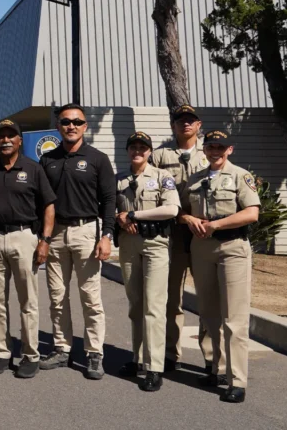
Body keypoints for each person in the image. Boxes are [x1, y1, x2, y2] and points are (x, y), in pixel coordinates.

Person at [180, 130, 260, 404]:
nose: (215, 151)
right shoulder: (195, 179)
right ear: (205, 149)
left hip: (231, 248)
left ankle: (237, 381)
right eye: (210, 146)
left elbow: (252, 212)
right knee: (208, 313)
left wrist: (217, 224)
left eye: (220, 147)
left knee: (234, 319)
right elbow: (180, 210)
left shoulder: (240, 176)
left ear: (230, 150)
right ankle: (217, 369)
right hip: (201, 249)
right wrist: (189, 218)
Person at [39, 103, 116, 380]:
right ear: (58, 127)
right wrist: (42, 238)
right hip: (56, 232)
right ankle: (62, 348)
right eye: (65, 121)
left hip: (86, 232)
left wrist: (106, 236)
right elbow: (40, 202)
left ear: (86, 126)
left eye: (77, 121)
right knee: (57, 297)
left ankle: (95, 353)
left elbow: (109, 200)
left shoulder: (98, 159)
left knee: (90, 297)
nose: (71, 125)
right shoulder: (47, 160)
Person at [0, 118, 52, 380]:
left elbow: (48, 205)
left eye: (11, 136)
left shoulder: (33, 168)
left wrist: (45, 240)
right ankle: (2, 353)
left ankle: (30, 355)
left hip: (24, 236)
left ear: (19, 140)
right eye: (1, 136)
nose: (5, 140)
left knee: (28, 300)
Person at [151, 104, 218, 374]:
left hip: (204, 233)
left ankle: (212, 358)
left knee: (208, 298)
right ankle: (170, 353)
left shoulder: (211, 152)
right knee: (171, 297)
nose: (185, 124)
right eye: (180, 120)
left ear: (199, 125)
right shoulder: (160, 155)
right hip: (173, 233)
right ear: (173, 125)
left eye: (190, 120)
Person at [115, 131, 181, 392]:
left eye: (142, 147)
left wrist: (133, 214)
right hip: (129, 244)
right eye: (133, 147)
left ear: (150, 151)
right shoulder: (119, 179)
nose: (137, 151)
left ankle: (154, 366)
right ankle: (138, 358)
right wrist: (119, 217)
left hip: (155, 244)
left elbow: (172, 209)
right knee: (135, 304)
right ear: (128, 151)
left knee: (154, 306)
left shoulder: (163, 177)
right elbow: (108, 206)